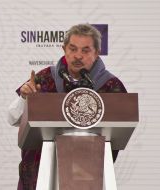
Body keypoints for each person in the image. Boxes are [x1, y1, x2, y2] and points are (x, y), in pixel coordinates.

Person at [8, 23, 127, 190]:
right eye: (72, 49)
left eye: (85, 50)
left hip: (86, 177)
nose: (78, 56)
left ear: (97, 52)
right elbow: (13, 119)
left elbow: (119, 132)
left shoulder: (110, 86)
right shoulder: (45, 78)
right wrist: (24, 97)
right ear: (64, 49)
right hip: (40, 174)